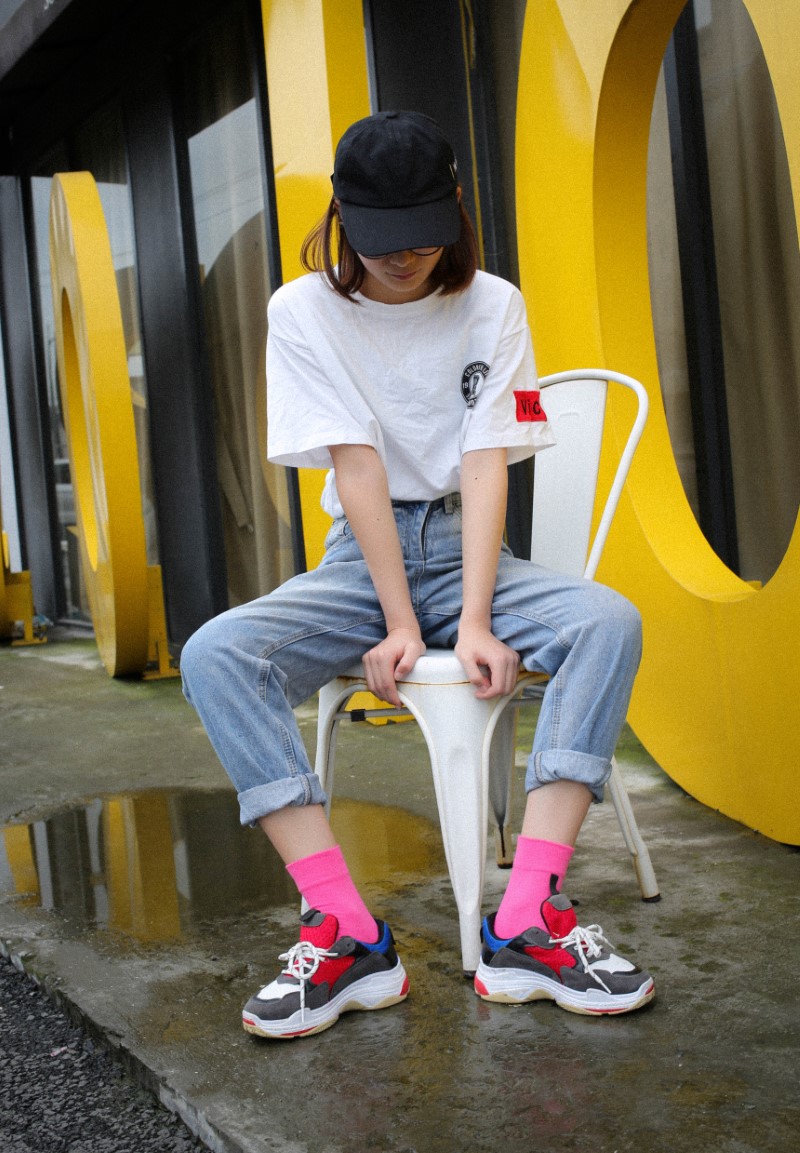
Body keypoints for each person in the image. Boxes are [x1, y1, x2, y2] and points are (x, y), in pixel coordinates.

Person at [181, 110, 655, 1040]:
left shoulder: (494, 304)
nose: (404, 257)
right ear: (342, 216)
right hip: (363, 562)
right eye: (381, 237)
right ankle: (346, 932)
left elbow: (485, 461)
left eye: (423, 234)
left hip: (473, 550)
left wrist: (473, 617)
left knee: (610, 622)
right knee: (215, 655)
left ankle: (528, 919)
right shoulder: (301, 311)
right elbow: (356, 466)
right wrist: (399, 620)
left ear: (456, 208)